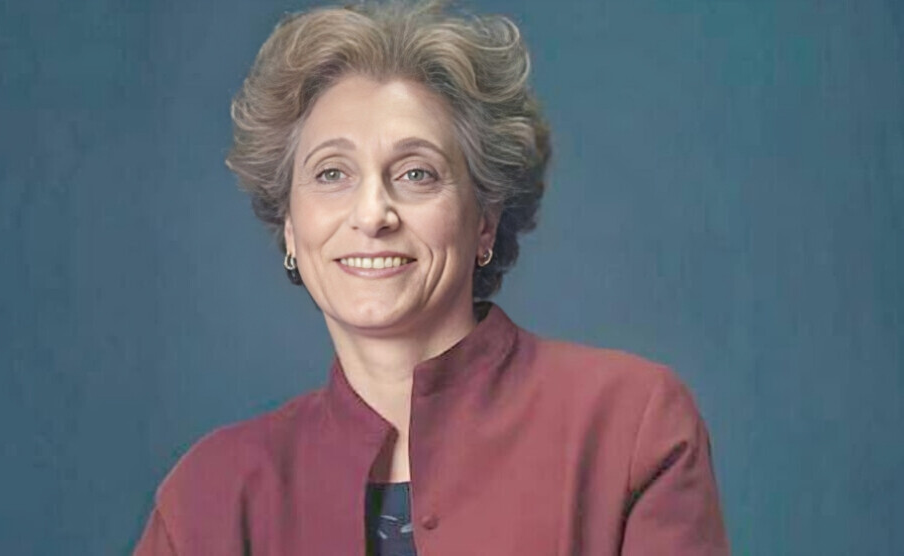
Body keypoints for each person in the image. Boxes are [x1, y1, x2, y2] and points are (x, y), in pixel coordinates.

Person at [134, 1, 729, 554]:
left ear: (485, 221)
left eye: (416, 173)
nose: (372, 214)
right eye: (332, 173)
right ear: (290, 227)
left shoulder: (631, 425)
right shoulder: (207, 496)